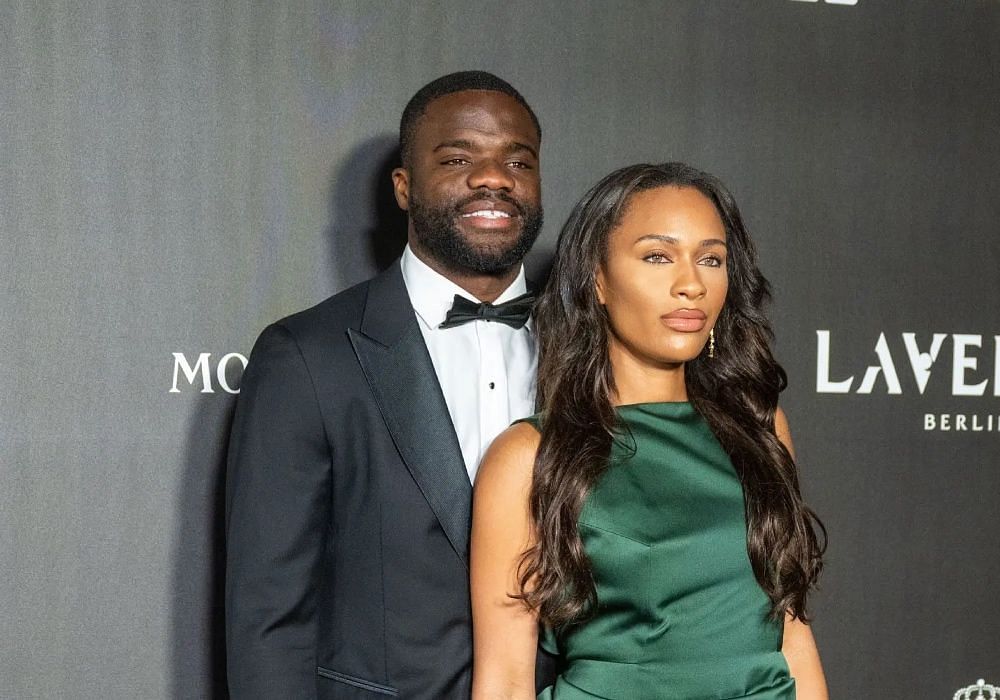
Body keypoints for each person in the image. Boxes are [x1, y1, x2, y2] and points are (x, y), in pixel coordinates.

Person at [225, 71, 555, 699]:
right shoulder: (307, 356)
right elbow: (268, 617)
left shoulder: (590, 354)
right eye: (458, 158)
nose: (494, 177)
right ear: (404, 188)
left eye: (519, 160)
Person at [471, 163, 829, 700]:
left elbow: (793, 632)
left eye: (711, 259)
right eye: (658, 256)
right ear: (596, 278)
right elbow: (504, 677)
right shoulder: (528, 455)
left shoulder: (761, 429)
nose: (691, 285)